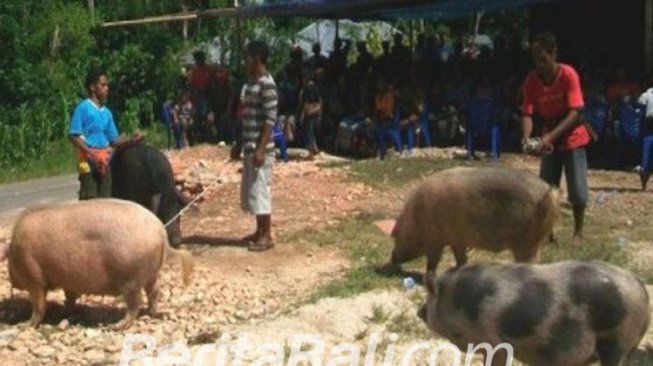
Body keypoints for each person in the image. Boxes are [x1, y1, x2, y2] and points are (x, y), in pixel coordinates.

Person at [520, 32, 590, 247]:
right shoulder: (532, 80)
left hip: (572, 137)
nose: (539, 64)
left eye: (543, 59)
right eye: (535, 59)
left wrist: (550, 137)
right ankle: (548, 232)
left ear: (553, 53)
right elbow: (527, 113)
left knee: (577, 192)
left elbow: (575, 112)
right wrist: (526, 138)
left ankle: (578, 232)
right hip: (549, 138)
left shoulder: (568, 74)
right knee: (546, 191)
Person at [69, 69, 143, 200]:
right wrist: (91, 152)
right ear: (92, 87)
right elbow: (73, 135)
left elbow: (113, 140)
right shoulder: (83, 108)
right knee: (90, 198)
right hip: (88, 160)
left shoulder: (107, 113)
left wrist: (131, 139)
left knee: (106, 199)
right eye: (102, 85)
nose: (106, 88)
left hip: (104, 160)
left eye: (107, 85)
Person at [239, 40, 278, 252]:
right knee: (252, 191)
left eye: (247, 57)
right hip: (249, 146)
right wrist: (239, 144)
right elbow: (245, 115)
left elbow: (271, 119)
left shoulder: (267, 84)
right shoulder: (249, 84)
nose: (245, 61)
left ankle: (267, 235)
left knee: (261, 190)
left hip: (261, 148)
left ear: (256, 58)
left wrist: (262, 148)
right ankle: (258, 230)